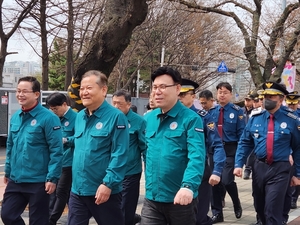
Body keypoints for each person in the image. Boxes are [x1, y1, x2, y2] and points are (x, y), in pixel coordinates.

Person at [141, 67, 206, 225]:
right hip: (152, 198)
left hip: (180, 198)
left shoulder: (191, 119)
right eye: (155, 87)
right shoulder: (148, 119)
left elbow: (196, 156)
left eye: (163, 87)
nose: (157, 91)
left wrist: (188, 186)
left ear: (177, 89)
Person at [67, 70, 129, 225]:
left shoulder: (116, 117)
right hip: (78, 190)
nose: (84, 92)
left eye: (89, 88)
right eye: (81, 88)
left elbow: (119, 153)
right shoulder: (80, 116)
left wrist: (108, 184)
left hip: (104, 190)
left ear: (103, 90)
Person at [234, 81, 300, 225]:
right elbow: (245, 142)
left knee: (272, 208)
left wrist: (297, 174)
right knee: (260, 207)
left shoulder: (292, 120)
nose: (266, 100)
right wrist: (239, 163)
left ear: (281, 99)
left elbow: (298, 148)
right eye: (265, 96)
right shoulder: (255, 119)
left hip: (280, 169)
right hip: (259, 168)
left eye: (271, 97)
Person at [1, 76, 63, 225]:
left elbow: (56, 150)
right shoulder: (16, 117)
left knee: (38, 221)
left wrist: (52, 178)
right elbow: (11, 146)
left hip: (39, 181)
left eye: (25, 91)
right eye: (18, 91)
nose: (20, 94)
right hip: (16, 179)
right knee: (8, 214)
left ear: (36, 94)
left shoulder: (49, 118)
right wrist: (8, 171)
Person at [179, 79, 226, 225]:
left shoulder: (204, 117)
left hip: (198, 171)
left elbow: (217, 145)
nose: (179, 98)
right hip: (175, 173)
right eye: (177, 94)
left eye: (183, 95)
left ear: (193, 96)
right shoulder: (167, 117)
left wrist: (217, 171)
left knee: (198, 216)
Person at [209, 82, 245, 223]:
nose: (222, 95)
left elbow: (242, 134)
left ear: (230, 94)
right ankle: (217, 213)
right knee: (214, 182)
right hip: (214, 150)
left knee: (226, 180)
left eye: (225, 92)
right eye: (219, 92)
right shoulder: (212, 112)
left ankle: (236, 202)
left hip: (230, 150)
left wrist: (241, 156)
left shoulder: (237, 111)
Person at [112, 89, 146, 225]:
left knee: (126, 207)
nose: (116, 107)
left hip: (130, 171)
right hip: (112, 171)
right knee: (113, 206)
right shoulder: (110, 119)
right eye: (113, 103)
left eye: (119, 104)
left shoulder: (139, 122)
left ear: (128, 104)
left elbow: (145, 147)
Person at [46, 92, 77, 225]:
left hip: (68, 161)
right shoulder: (52, 118)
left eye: (55, 108)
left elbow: (82, 138)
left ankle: (50, 220)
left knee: (60, 192)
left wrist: (66, 140)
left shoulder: (77, 117)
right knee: (53, 192)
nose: (53, 112)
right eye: (51, 109)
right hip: (54, 161)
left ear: (64, 104)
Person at [242, 92, 255, 180]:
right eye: (246, 100)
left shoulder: (255, 112)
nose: (247, 102)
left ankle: (248, 169)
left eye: (249, 100)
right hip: (243, 135)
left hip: (253, 135)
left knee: (251, 154)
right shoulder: (241, 111)